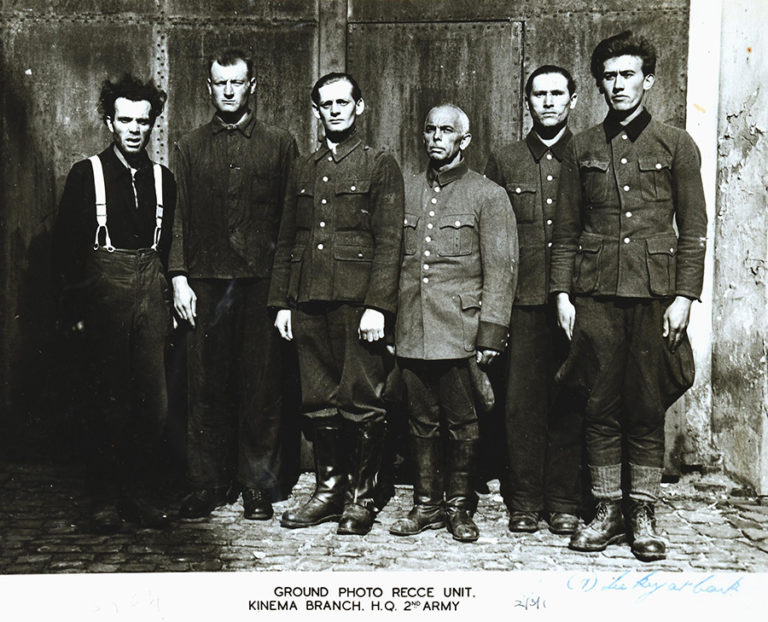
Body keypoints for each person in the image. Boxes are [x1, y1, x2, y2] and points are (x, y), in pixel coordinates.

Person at [550, 31, 707, 561]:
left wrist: (684, 295)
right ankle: (605, 512)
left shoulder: (676, 144)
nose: (618, 85)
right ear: (599, 84)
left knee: (644, 403)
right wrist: (562, 294)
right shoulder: (582, 147)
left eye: (627, 75)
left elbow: (695, 227)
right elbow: (566, 228)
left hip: (654, 294)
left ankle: (643, 513)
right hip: (595, 293)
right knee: (598, 402)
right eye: (609, 77)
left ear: (649, 80)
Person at [268, 72, 404, 536]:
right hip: (308, 300)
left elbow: (389, 242)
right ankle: (328, 492)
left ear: (359, 107)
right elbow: (289, 238)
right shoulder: (304, 167)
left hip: (356, 304)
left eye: (343, 102)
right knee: (319, 400)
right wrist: (283, 302)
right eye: (326, 104)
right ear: (317, 111)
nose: (335, 110)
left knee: (362, 400)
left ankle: (361, 499)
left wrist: (378, 307)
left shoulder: (379, 164)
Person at [170, 48, 299, 520]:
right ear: (209, 89)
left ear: (252, 86)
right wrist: (179, 277)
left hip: (260, 285)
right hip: (205, 285)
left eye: (236, 83)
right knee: (205, 387)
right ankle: (208, 483)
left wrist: (283, 293)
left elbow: (291, 225)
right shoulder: (188, 146)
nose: (228, 91)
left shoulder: (280, 145)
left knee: (261, 388)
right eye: (219, 84)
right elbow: (178, 218)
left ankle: (257, 485)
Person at [53, 74, 176, 533]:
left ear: (152, 125)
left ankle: (139, 494)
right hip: (103, 297)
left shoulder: (164, 180)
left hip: (151, 294)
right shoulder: (86, 175)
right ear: (110, 121)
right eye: (124, 119)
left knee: (153, 402)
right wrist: (74, 315)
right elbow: (65, 254)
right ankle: (104, 497)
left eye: (143, 121)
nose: (134, 129)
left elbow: (167, 253)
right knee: (107, 399)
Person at [389, 104, 517, 542]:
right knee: (420, 419)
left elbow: (501, 271)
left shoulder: (487, 195)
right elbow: (392, 263)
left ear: (464, 141)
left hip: (460, 332)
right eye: (430, 130)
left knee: (463, 421)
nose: (436, 138)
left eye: (447, 131)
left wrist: (491, 335)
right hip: (413, 327)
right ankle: (426, 505)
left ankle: (460, 507)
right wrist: (390, 322)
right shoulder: (405, 190)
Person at [485, 66, 583, 536]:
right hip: (522, 301)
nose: (547, 102)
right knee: (520, 403)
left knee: (569, 397)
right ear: (527, 102)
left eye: (556, 93)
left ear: (573, 99)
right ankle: (523, 500)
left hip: (574, 301)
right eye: (538, 94)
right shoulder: (504, 161)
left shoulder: (587, 155)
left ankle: (564, 499)